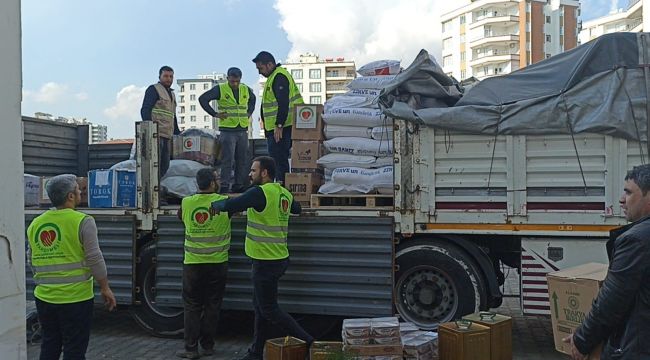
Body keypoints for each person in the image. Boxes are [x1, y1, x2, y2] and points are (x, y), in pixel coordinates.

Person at [211, 156, 313, 360]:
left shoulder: (259, 193)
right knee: (260, 308)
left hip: (265, 261)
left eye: (253, 170)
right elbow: (297, 209)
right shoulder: (283, 193)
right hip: (278, 257)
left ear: (264, 173)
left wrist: (214, 204)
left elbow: (233, 204)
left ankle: (309, 341)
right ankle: (256, 353)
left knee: (269, 309)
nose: (250, 174)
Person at [563, 164, 650, 359]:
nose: (621, 199)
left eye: (628, 192)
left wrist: (582, 339)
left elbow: (611, 302)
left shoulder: (636, 240)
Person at [27, 174, 117, 360]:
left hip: (45, 298)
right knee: (74, 349)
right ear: (70, 196)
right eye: (78, 190)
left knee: (50, 345)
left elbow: (31, 259)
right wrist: (105, 287)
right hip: (76, 298)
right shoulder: (83, 221)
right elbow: (94, 257)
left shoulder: (36, 223)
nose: (80, 193)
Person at [175, 168, 232, 359]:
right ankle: (207, 346)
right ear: (213, 183)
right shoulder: (225, 203)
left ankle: (190, 349)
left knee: (192, 306)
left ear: (197, 184)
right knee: (212, 305)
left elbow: (181, 218)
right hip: (218, 262)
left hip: (193, 263)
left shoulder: (186, 202)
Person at [199, 67, 256, 193]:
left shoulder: (245, 89)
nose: (235, 84)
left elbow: (253, 100)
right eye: (232, 81)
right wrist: (215, 114)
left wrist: (249, 112)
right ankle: (225, 185)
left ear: (240, 79)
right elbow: (203, 99)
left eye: (237, 81)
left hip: (242, 129)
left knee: (242, 159)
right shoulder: (220, 89)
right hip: (227, 130)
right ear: (228, 78)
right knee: (228, 159)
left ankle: (238, 184)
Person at [252, 51, 304, 184]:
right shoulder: (274, 76)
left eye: (261, 68)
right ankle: (281, 184)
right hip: (277, 128)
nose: (259, 72)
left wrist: (279, 124)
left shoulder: (279, 77)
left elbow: (283, 102)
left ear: (269, 64)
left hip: (282, 128)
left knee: (279, 159)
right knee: (278, 159)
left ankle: (282, 185)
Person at [140, 65, 181, 183]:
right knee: (155, 164)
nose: (169, 79)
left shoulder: (172, 94)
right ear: (160, 76)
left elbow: (172, 115)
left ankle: (157, 187)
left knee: (164, 165)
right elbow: (145, 110)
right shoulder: (154, 89)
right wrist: (149, 130)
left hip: (167, 134)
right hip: (156, 133)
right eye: (166, 76)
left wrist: (177, 132)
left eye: (171, 76)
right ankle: (154, 190)